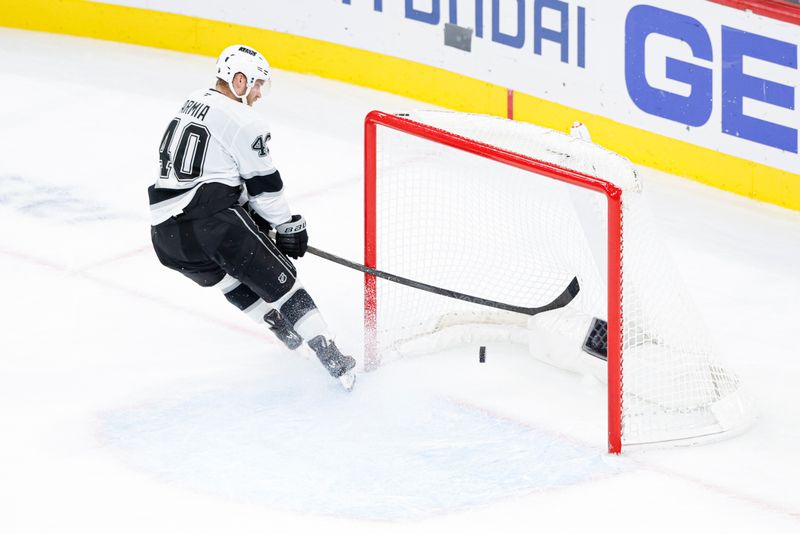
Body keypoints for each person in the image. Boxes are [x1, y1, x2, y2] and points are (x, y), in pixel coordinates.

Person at [148, 44, 356, 390]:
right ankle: (334, 360)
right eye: (257, 84)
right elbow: (264, 185)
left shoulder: (192, 101)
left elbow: (214, 170)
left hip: (166, 237)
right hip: (212, 223)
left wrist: (250, 217)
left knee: (231, 281)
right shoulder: (243, 119)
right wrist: (286, 226)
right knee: (284, 283)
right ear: (239, 79)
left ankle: (284, 332)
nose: (259, 94)